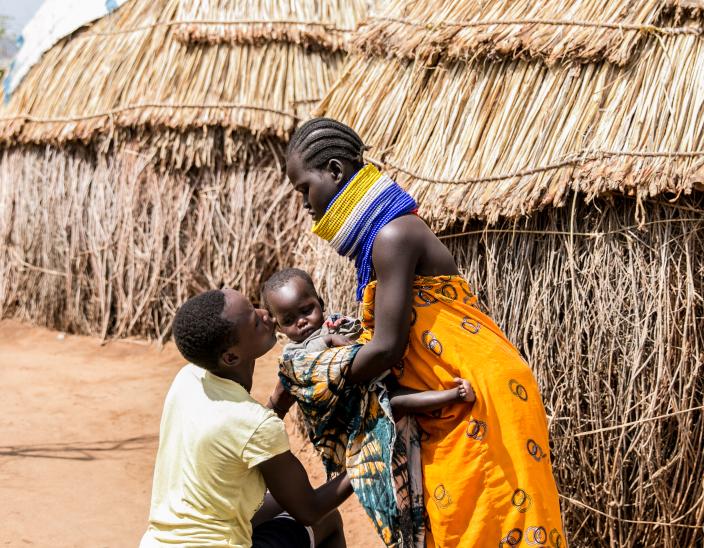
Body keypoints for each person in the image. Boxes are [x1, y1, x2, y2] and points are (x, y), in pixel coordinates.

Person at [284, 117, 566, 547]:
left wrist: (317, 372)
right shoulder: (380, 238)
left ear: (336, 172)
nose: (304, 202)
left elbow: (386, 348)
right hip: (457, 397)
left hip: (476, 400)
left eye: (304, 187)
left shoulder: (392, 236)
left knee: (489, 528)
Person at [140, 288, 352, 548]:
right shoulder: (256, 423)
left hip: (160, 541)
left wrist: (277, 403)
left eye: (255, 307)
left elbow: (238, 436)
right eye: (254, 321)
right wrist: (367, 462)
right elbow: (309, 509)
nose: (266, 315)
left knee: (275, 501)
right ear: (231, 357)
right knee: (326, 520)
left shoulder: (188, 378)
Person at [262, 267, 475, 419]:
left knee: (405, 388)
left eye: (307, 310)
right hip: (351, 407)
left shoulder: (336, 323)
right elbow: (302, 363)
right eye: (288, 321)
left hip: (376, 380)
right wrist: (327, 340)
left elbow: (361, 334)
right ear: (279, 327)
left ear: (320, 302)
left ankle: (449, 391)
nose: (301, 322)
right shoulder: (293, 352)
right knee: (396, 402)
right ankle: (452, 396)